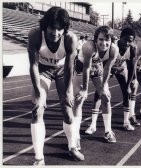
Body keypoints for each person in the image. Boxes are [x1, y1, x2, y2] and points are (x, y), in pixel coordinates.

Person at [27, 7, 84, 165]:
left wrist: (67, 92)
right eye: (52, 27)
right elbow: (33, 65)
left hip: (61, 71)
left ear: (65, 29)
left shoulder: (70, 39)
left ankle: (72, 146)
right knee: (37, 108)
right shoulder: (35, 35)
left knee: (67, 108)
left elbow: (68, 68)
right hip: (42, 71)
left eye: (60, 29)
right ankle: (39, 159)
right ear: (45, 26)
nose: (56, 32)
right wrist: (38, 92)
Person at [85, 28, 140, 135]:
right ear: (120, 37)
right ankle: (93, 124)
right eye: (125, 40)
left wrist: (129, 84)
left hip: (121, 69)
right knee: (99, 93)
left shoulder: (132, 49)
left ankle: (126, 121)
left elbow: (132, 67)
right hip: (107, 68)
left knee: (127, 92)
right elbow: (104, 64)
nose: (127, 43)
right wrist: (103, 83)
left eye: (130, 41)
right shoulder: (112, 46)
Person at [75, 26, 119, 143]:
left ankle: (108, 131)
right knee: (79, 99)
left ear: (111, 41)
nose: (104, 43)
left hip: (97, 68)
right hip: (81, 67)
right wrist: (85, 89)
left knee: (105, 97)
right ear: (95, 39)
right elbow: (86, 68)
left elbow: (107, 69)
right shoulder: (89, 47)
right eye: (101, 39)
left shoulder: (114, 50)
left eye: (107, 40)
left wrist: (104, 86)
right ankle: (75, 135)